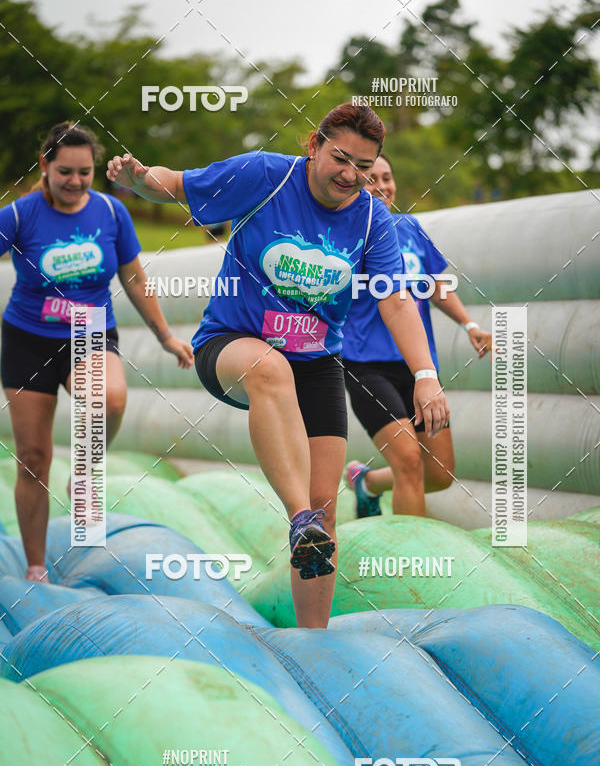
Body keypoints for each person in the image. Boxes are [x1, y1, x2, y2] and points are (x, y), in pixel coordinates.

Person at [106, 103, 449, 629]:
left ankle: (313, 637)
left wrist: (426, 375)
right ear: (313, 144)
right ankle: (298, 518)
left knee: (327, 505)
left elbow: (396, 300)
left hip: (317, 363)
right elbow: (174, 184)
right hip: (233, 344)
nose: (349, 174)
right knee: (271, 371)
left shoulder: (373, 219)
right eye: (340, 157)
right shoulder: (266, 175)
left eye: (363, 165)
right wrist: (137, 181)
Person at [0, 121, 193, 583]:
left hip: (90, 329)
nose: (75, 181)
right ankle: (34, 566)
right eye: (65, 171)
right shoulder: (19, 216)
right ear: (45, 166)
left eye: (84, 172)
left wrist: (165, 335)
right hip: (28, 337)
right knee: (32, 456)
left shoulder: (110, 212)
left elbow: (133, 278)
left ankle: (85, 472)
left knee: (109, 398)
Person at [342, 154, 492, 518]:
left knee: (439, 474)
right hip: (366, 365)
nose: (382, 185)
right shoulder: (342, 235)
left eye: (387, 177)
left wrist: (469, 325)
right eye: (371, 177)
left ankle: (367, 482)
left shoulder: (410, 228)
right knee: (408, 460)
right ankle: (410, 568)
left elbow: (435, 285)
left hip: (419, 367)